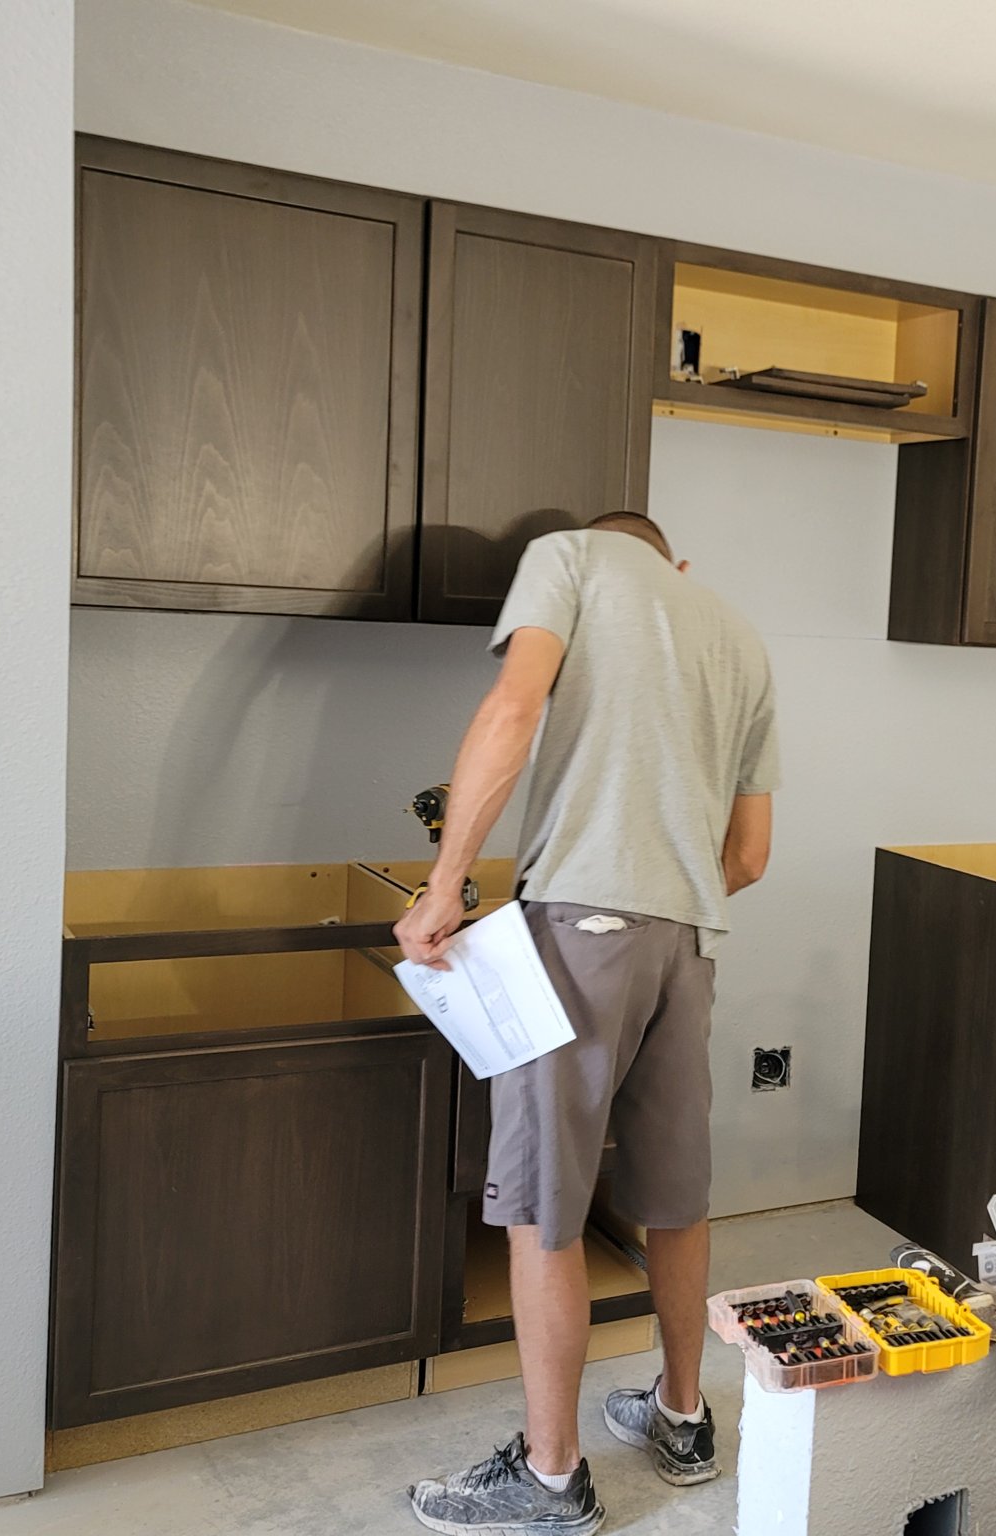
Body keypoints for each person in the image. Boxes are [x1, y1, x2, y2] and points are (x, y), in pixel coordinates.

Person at [394, 510, 778, 1536]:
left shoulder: (564, 559)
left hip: (579, 923)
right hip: (686, 938)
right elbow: (749, 855)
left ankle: (551, 1478)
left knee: (543, 1208)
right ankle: (681, 1416)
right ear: (672, 560)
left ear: (596, 543)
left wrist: (443, 888)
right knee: (673, 1193)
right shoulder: (733, 632)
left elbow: (513, 711)